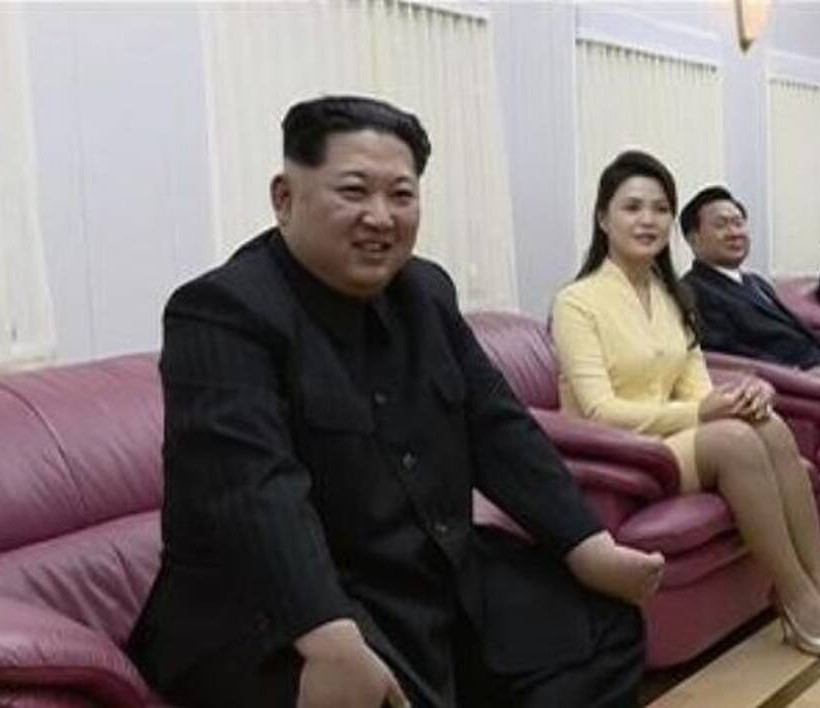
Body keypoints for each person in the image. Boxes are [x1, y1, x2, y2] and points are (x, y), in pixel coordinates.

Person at [127, 96, 661, 708]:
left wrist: (587, 546)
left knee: (605, 627)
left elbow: (496, 425)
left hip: (425, 573)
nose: (380, 217)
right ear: (284, 197)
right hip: (275, 605)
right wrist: (326, 634)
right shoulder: (222, 312)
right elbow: (255, 490)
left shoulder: (425, 291)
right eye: (354, 191)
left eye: (401, 195)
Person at [551, 150, 820, 660]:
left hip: (675, 438)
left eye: (660, 209)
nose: (648, 220)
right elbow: (599, 412)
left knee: (770, 425)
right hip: (620, 455)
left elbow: (698, 389)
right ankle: (797, 598)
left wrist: (743, 396)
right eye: (632, 207)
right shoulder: (576, 302)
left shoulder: (672, 294)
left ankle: (818, 583)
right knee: (735, 440)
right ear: (604, 218)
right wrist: (705, 413)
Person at [679, 185, 820, 372]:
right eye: (721, 225)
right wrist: (799, 372)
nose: (734, 233)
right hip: (792, 381)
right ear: (693, 239)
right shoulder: (692, 292)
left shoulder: (756, 281)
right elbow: (729, 356)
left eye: (738, 223)